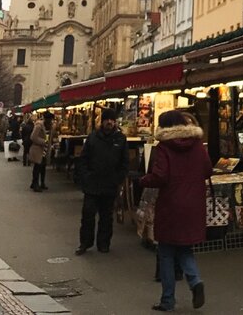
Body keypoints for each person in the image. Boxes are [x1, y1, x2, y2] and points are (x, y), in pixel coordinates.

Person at [140, 110, 211, 311]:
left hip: (171, 204)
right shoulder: (197, 144)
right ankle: (195, 280)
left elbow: (160, 176)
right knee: (185, 248)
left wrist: (144, 180)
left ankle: (168, 300)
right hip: (194, 205)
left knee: (166, 253)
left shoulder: (164, 147)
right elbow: (207, 169)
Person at [76, 108, 129, 255]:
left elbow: (125, 162)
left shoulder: (120, 139)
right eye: (107, 120)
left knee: (106, 217)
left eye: (112, 120)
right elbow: (83, 159)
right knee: (88, 216)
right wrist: (85, 176)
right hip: (92, 184)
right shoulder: (93, 137)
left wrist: (118, 179)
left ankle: (103, 243)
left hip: (109, 184)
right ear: (103, 121)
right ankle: (85, 243)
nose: (110, 122)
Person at [30, 112, 54, 191]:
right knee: (37, 167)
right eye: (50, 120)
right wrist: (44, 142)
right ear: (46, 119)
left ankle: (42, 183)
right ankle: (35, 184)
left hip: (45, 149)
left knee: (43, 167)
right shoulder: (39, 126)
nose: (51, 121)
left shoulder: (50, 126)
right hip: (38, 149)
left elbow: (49, 137)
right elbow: (33, 137)